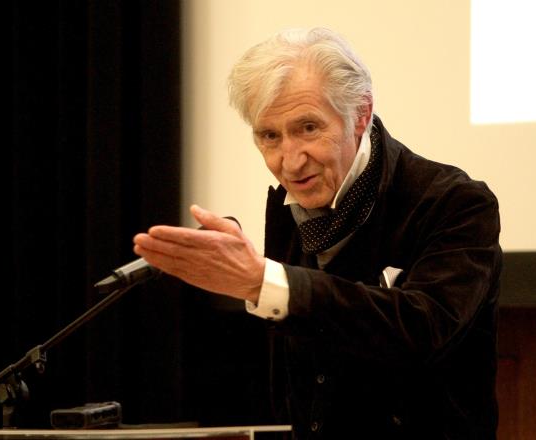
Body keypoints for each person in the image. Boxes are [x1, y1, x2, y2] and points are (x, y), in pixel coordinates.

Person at [133, 27, 502, 439]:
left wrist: (266, 282)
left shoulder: (456, 202)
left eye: (308, 128)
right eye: (269, 136)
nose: (290, 161)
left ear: (361, 114)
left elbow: (421, 329)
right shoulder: (288, 208)